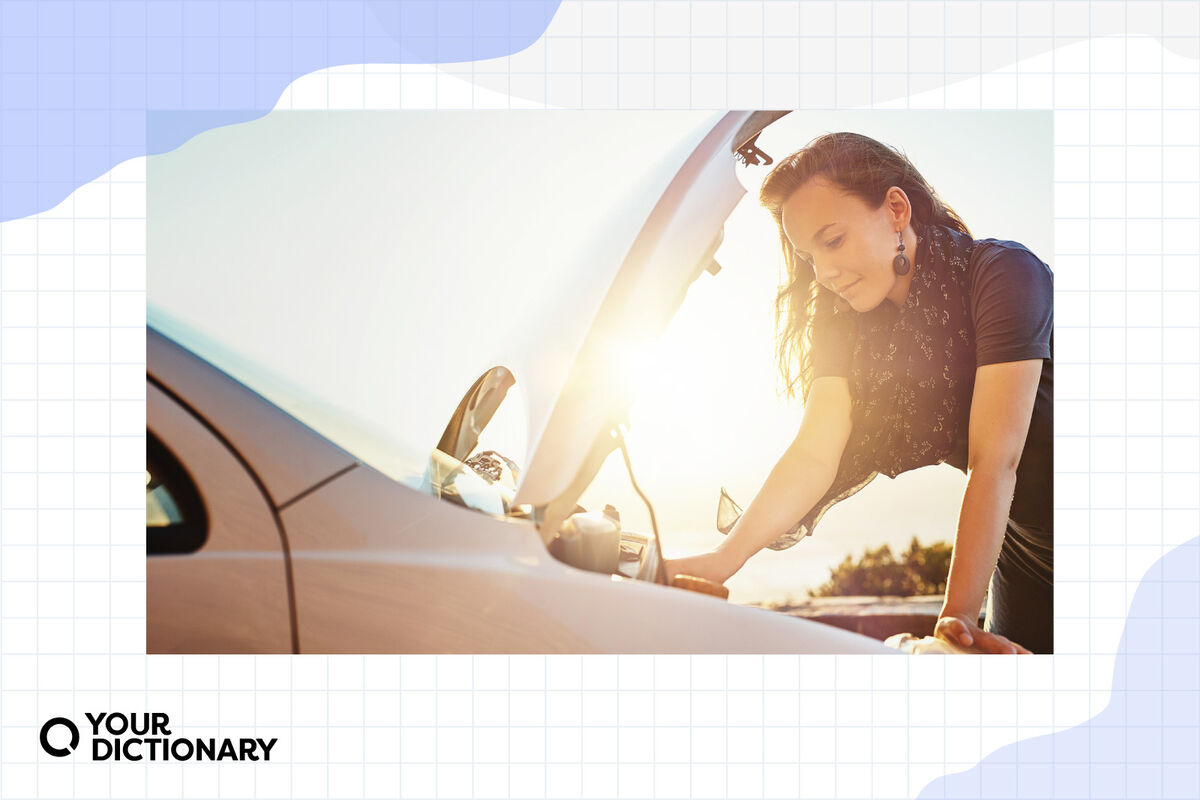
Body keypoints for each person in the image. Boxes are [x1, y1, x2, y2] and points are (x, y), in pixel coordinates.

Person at [666, 132, 1053, 654]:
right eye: (809, 257)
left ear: (896, 209)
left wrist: (955, 619)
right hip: (1023, 552)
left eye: (832, 241)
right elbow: (812, 455)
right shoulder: (842, 325)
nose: (823, 274)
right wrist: (722, 559)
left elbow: (995, 460)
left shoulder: (1004, 273)